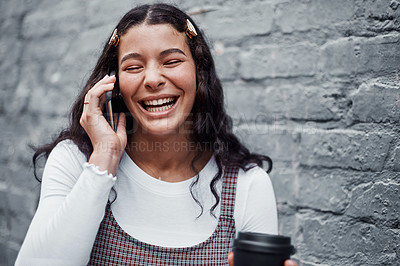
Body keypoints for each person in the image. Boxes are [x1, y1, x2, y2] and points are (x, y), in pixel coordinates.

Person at [16, 4, 297, 266]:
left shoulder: (247, 185)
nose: (152, 79)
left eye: (171, 61)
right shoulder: (76, 162)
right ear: (114, 85)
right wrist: (104, 159)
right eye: (134, 67)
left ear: (199, 74)